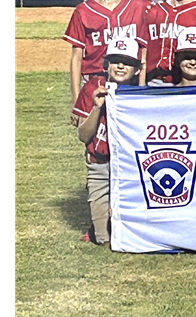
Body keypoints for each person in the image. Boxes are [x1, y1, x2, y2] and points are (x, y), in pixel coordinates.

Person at [64, 0, 150, 117]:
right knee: (96, 142)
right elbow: (76, 59)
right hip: (95, 86)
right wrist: (76, 101)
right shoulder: (83, 11)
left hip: (129, 86)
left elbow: (145, 54)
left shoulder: (141, 6)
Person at [74, 36, 143, 247]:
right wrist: (97, 107)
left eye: (127, 61)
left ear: (137, 69)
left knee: (132, 236)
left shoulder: (141, 95)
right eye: (115, 60)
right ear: (107, 64)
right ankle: (100, 224)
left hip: (130, 169)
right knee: (105, 239)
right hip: (100, 166)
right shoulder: (93, 87)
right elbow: (83, 136)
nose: (120, 66)